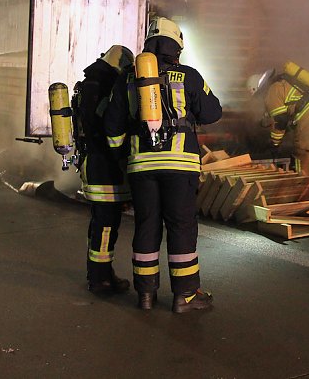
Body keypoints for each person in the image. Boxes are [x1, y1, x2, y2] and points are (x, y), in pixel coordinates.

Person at [104, 16, 222, 313]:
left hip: (141, 167)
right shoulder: (189, 75)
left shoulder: (128, 78)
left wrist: (123, 157)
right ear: (177, 48)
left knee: (147, 226)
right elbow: (212, 112)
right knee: (181, 227)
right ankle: (185, 296)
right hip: (180, 166)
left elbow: (113, 126)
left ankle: (145, 295)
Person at [73, 45, 134, 294]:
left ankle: (99, 273)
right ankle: (101, 279)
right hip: (106, 166)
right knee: (107, 225)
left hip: (91, 162)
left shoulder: (87, 85)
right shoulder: (108, 86)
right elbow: (112, 127)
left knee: (100, 222)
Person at [250, 61, 309, 177]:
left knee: (301, 152)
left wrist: (275, 144)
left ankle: (303, 186)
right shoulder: (282, 83)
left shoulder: (271, 92)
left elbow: (280, 121)